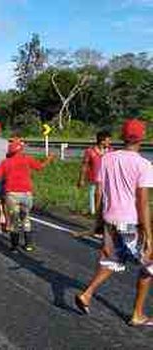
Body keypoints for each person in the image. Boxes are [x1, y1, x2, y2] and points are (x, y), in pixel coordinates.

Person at [75, 119, 153, 327]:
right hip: (130, 222)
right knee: (149, 265)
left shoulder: (107, 159)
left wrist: (99, 221)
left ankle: (87, 294)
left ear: (121, 136)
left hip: (110, 219)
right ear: (143, 138)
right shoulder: (144, 165)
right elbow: (143, 201)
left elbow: (100, 192)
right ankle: (137, 314)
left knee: (114, 261)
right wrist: (149, 234)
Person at [0, 140, 54, 252]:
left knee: (14, 221)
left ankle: (14, 246)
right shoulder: (27, 159)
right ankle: (28, 244)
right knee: (25, 218)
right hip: (27, 194)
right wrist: (49, 158)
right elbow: (40, 167)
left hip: (12, 194)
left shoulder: (6, 162)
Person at [77, 130, 112, 216]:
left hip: (106, 179)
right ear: (102, 141)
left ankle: (102, 213)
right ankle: (94, 213)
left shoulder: (111, 151)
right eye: (108, 140)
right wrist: (81, 179)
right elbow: (84, 165)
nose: (110, 142)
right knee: (92, 195)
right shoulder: (90, 151)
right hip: (93, 179)